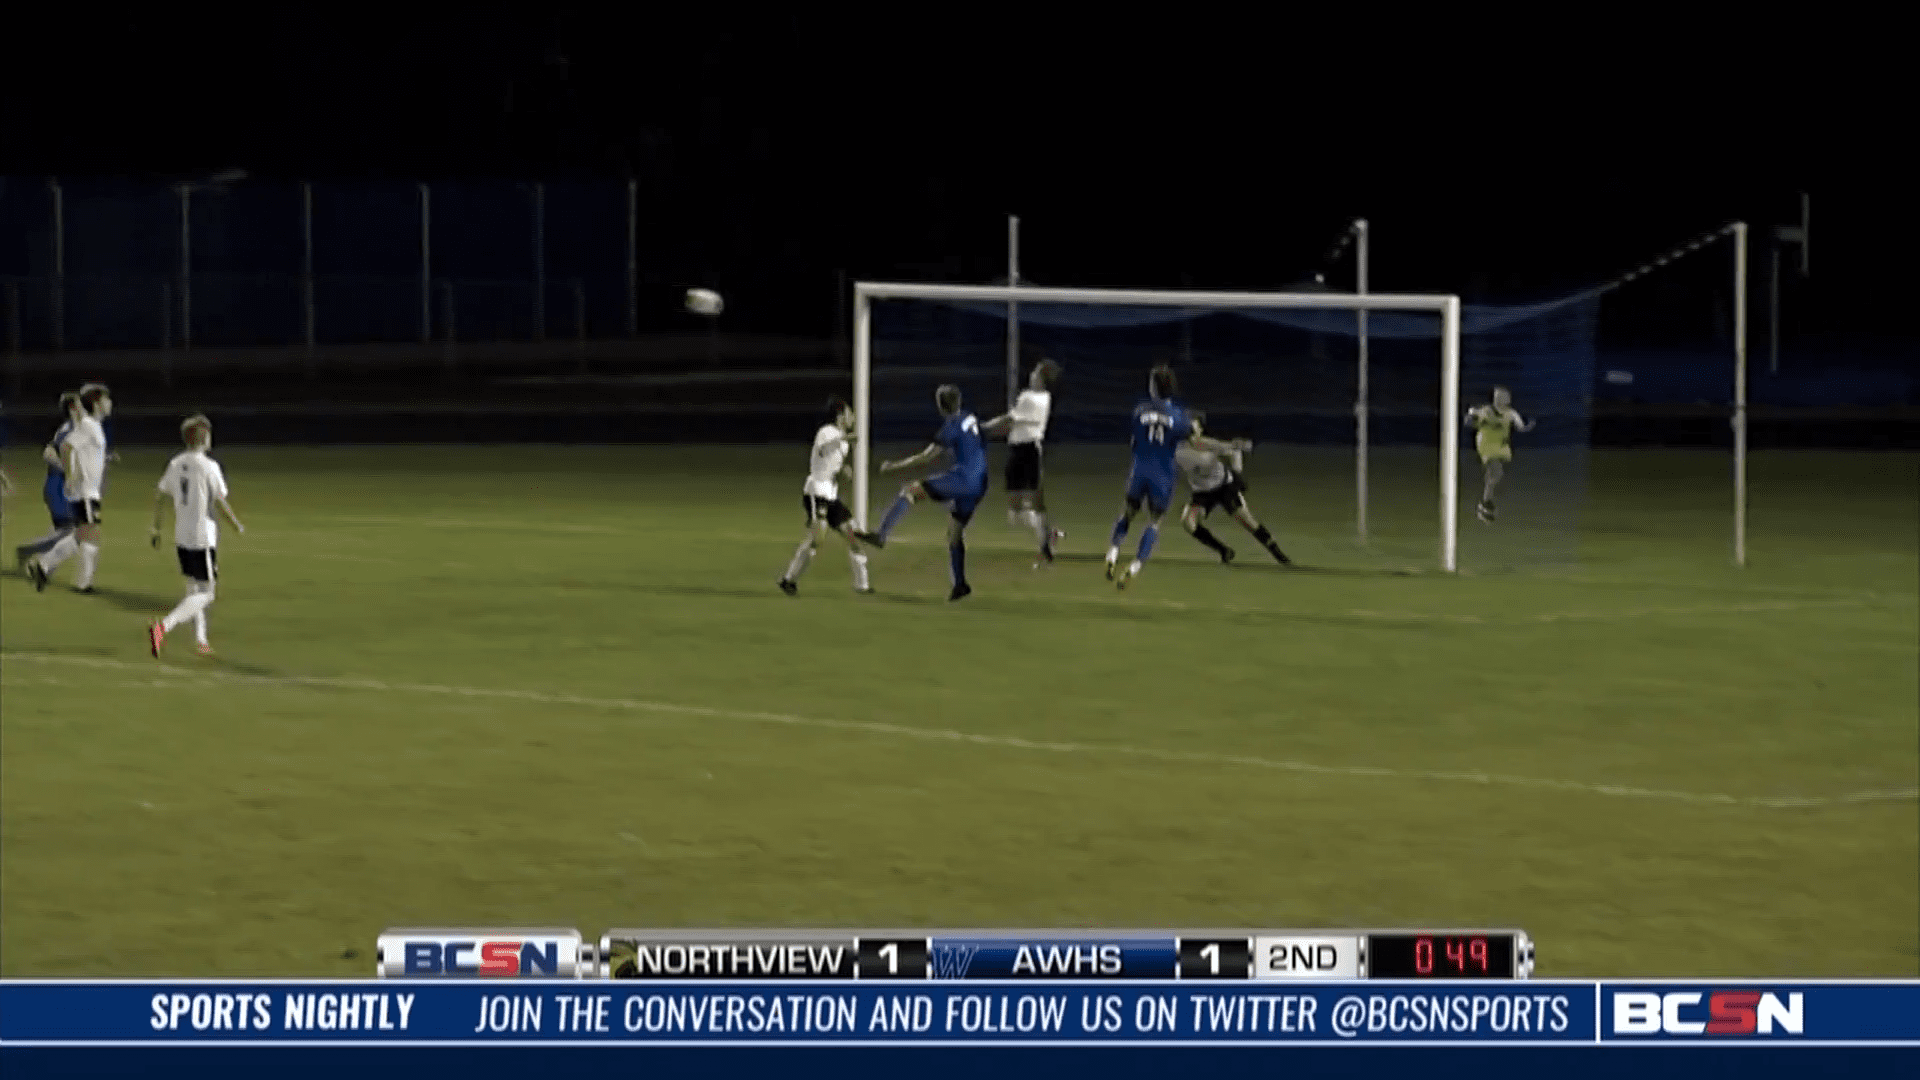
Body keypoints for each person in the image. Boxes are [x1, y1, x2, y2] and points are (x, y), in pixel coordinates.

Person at [854, 383, 988, 602]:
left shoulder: (950, 427)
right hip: (980, 482)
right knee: (954, 533)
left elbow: (926, 457)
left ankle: (881, 535)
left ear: (940, 406)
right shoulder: (969, 417)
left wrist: (893, 466)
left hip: (963, 480)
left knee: (910, 491)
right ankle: (960, 585)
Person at [148, 415, 244, 657]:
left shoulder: (175, 463)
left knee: (194, 589)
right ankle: (164, 626)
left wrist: (156, 528)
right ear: (203, 437)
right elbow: (219, 500)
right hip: (202, 536)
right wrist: (235, 524)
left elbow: (160, 494)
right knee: (207, 593)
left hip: (182, 535)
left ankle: (201, 640)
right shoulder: (209, 466)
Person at [1106, 364, 1191, 589]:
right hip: (1162, 475)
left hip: (1140, 469)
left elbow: (1134, 440)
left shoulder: (1140, 410)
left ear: (1153, 387)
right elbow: (1184, 440)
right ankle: (1134, 567)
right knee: (1154, 521)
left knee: (1128, 512)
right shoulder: (1179, 416)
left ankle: (1113, 553)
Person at [778, 397, 873, 596]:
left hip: (831, 495)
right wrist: (845, 439)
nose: (852, 417)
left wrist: (843, 469)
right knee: (818, 537)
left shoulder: (843, 441)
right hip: (816, 492)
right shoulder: (827, 431)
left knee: (852, 534)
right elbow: (823, 448)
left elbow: (830, 461)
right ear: (840, 415)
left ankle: (862, 585)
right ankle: (789, 580)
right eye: (849, 413)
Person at [25, 384, 111, 593]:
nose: (110, 403)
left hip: (89, 491)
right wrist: (71, 476)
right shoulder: (88, 425)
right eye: (106, 400)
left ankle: (43, 566)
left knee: (81, 535)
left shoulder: (92, 425)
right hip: (85, 492)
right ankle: (81, 583)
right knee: (89, 534)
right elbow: (66, 447)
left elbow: (81, 452)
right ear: (96, 404)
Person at [1176, 412, 1290, 566]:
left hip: (1224, 487)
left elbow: (1234, 450)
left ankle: (1279, 555)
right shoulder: (1178, 449)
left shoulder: (1210, 444)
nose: (1189, 431)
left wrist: (1236, 473)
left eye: (1193, 427)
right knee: (1188, 522)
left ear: (1200, 430)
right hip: (1202, 492)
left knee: (1247, 520)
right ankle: (1224, 551)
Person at [980, 358, 1064, 565]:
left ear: (1041, 379)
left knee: (1030, 504)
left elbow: (1009, 420)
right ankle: (1048, 533)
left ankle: (1045, 544)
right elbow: (1014, 422)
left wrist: (984, 428)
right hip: (1022, 450)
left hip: (1027, 451)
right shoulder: (1042, 397)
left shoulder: (1030, 397)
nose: (1032, 375)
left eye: (1036, 373)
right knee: (1019, 511)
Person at [13, 391, 80, 570]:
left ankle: (37, 560)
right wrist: (67, 470)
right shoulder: (67, 429)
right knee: (70, 533)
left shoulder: (76, 428)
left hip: (64, 487)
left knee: (68, 532)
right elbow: (48, 452)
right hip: (58, 487)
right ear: (72, 408)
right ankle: (31, 555)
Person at [1466, 386, 1534, 522]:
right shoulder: (1485, 411)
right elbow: (1470, 420)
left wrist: (1528, 426)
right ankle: (1485, 502)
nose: (1503, 399)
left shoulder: (1511, 413)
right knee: (1496, 472)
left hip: (1501, 445)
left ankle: (1485, 503)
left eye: (1505, 397)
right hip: (1487, 443)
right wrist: (1471, 415)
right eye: (1500, 397)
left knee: (1493, 474)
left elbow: (1520, 426)